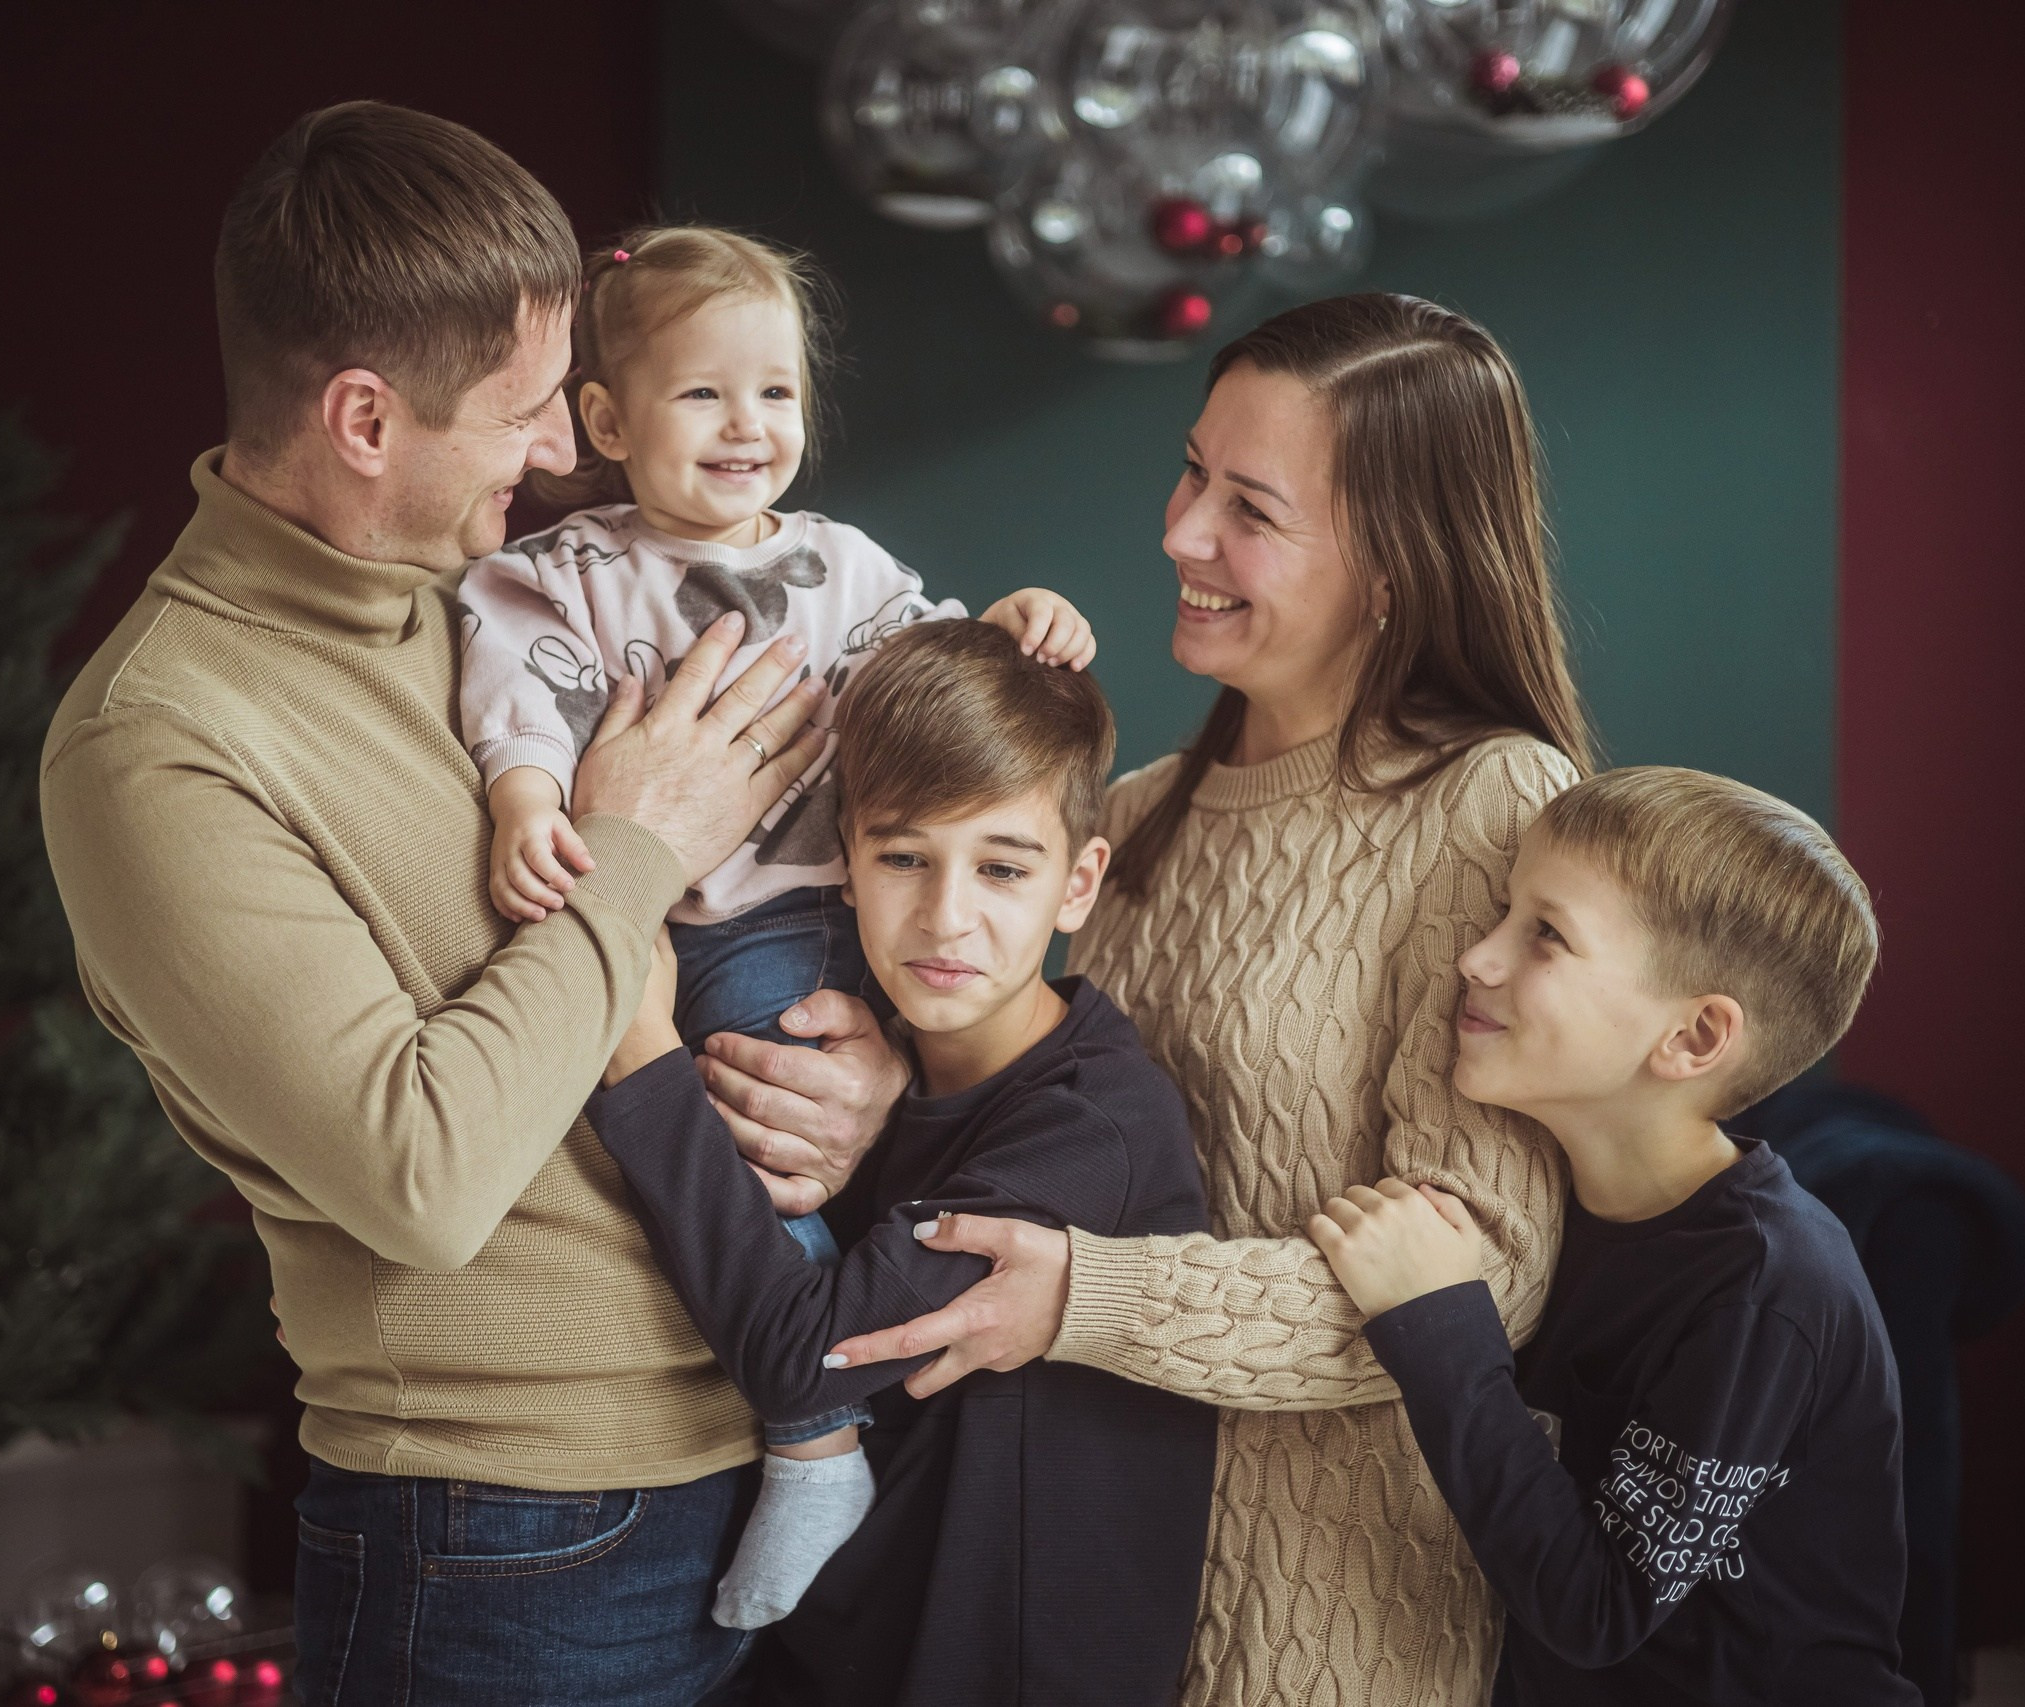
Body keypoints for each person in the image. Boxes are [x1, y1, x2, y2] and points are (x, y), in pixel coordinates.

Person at [37, 105, 902, 1706]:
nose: (562, 454)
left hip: (778, 1455)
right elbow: (419, 1174)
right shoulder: (159, 740)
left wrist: (863, 1071)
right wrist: (639, 843)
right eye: (518, 414)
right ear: (365, 416)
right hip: (507, 1543)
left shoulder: (511, 593)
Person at [811, 294, 1593, 1707]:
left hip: (1328, 1613)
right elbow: (1029, 1124)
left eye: (1251, 507)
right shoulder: (1133, 813)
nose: (1179, 532)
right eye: (1191, 472)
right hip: (1075, 1578)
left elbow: (1481, 1268)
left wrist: (1095, 1297)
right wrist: (893, 1082)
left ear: (1394, 568)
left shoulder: (1489, 807)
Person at [454, 226, 1093, 1626]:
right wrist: (520, 797)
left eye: (777, 394)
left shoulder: (839, 566)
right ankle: (805, 1405)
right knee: (641, 1149)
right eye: (703, 396)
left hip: (790, 916)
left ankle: (814, 1435)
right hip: (642, 914)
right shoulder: (568, 568)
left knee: (745, 1142)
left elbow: (936, 665)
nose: (750, 426)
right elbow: (516, 685)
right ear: (608, 421)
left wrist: (1013, 623)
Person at [588, 619, 1217, 1703]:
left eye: (1004, 868)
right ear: (847, 859)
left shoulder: (1092, 1128)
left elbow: (802, 1361)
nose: (945, 915)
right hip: (845, 1652)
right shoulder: (872, 1060)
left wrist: (640, 1054)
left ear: (1078, 885)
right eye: (904, 857)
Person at [1306, 767, 1918, 1706]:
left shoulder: (1765, 1288)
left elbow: (1598, 1608)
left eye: (1545, 934)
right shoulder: (1559, 1194)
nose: (1476, 956)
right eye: (1504, 909)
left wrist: (1438, 1322)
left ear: (1694, 1037)